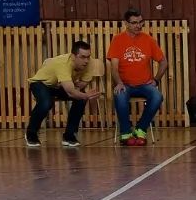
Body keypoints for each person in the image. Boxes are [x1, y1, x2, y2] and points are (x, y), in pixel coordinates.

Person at [26, 39, 102, 148]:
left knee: (80, 99)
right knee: (46, 103)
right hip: (41, 83)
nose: (86, 61)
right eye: (82, 57)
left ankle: (69, 136)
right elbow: (70, 92)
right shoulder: (63, 64)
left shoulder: (90, 63)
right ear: (73, 56)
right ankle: (31, 133)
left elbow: (82, 84)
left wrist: (78, 91)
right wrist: (85, 95)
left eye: (88, 57)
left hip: (59, 85)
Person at [107, 8, 167, 145]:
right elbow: (114, 67)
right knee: (120, 95)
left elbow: (164, 62)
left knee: (157, 96)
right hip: (125, 84)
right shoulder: (118, 40)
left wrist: (156, 79)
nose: (138, 26)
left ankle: (141, 129)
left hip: (145, 84)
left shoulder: (148, 40)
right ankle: (125, 133)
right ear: (126, 23)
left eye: (140, 22)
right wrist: (119, 82)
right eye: (134, 23)